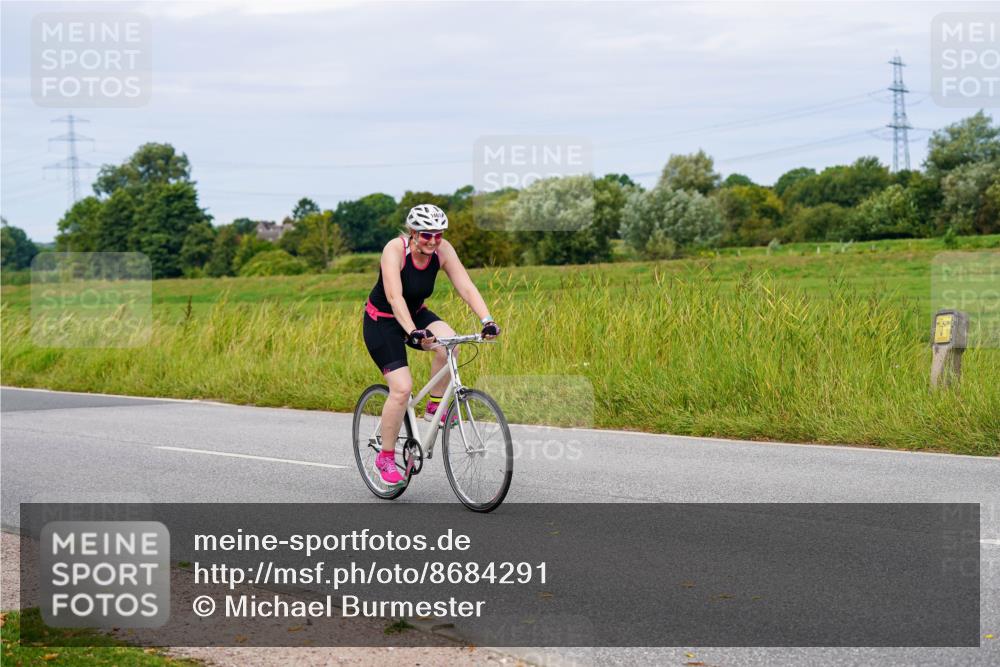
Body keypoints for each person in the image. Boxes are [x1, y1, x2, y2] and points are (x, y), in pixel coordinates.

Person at [362, 204, 501, 486]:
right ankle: (386, 456)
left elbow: (465, 286)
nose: (433, 240)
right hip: (383, 321)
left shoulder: (442, 250)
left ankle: (433, 409)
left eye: (438, 234)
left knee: (451, 343)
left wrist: (487, 319)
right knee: (401, 389)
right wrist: (412, 332)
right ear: (413, 233)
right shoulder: (395, 250)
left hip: (416, 315)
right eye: (427, 235)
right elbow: (394, 296)